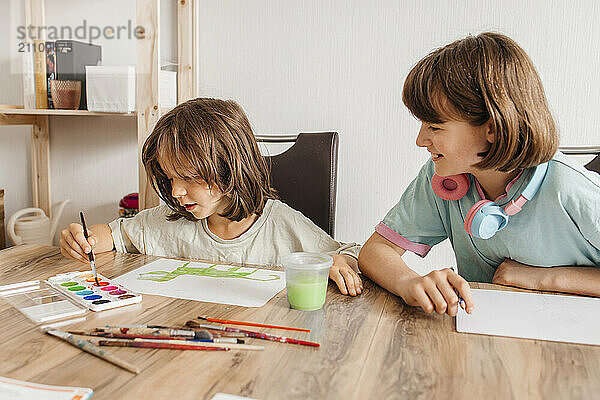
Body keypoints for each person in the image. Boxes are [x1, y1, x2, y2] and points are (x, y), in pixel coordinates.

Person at [358, 32, 600, 316]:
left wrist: (542, 278)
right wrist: (410, 282)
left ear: (493, 129)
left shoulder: (568, 187)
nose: (421, 140)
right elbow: (375, 251)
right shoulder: (444, 181)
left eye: (435, 127)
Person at [61, 98, 362, 296]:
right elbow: (110, 236)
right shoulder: (169, 221)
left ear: (229, 167)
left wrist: (339, 260)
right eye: (169, 178)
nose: (176, 192)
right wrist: (84, 239)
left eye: (189, 177)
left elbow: (349, 254)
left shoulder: (282, 225)